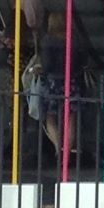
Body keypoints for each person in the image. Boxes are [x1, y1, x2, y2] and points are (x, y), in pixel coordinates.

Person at [38, 12, 84, 155]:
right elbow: (82, 60)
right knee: (71, 116)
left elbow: (47, 64)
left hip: (53, 82)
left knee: (50, 116)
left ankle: (58, 146)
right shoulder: (74, 39)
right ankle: (67, 151)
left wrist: (40, 71)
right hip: (72, 81)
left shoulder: (48, 40)